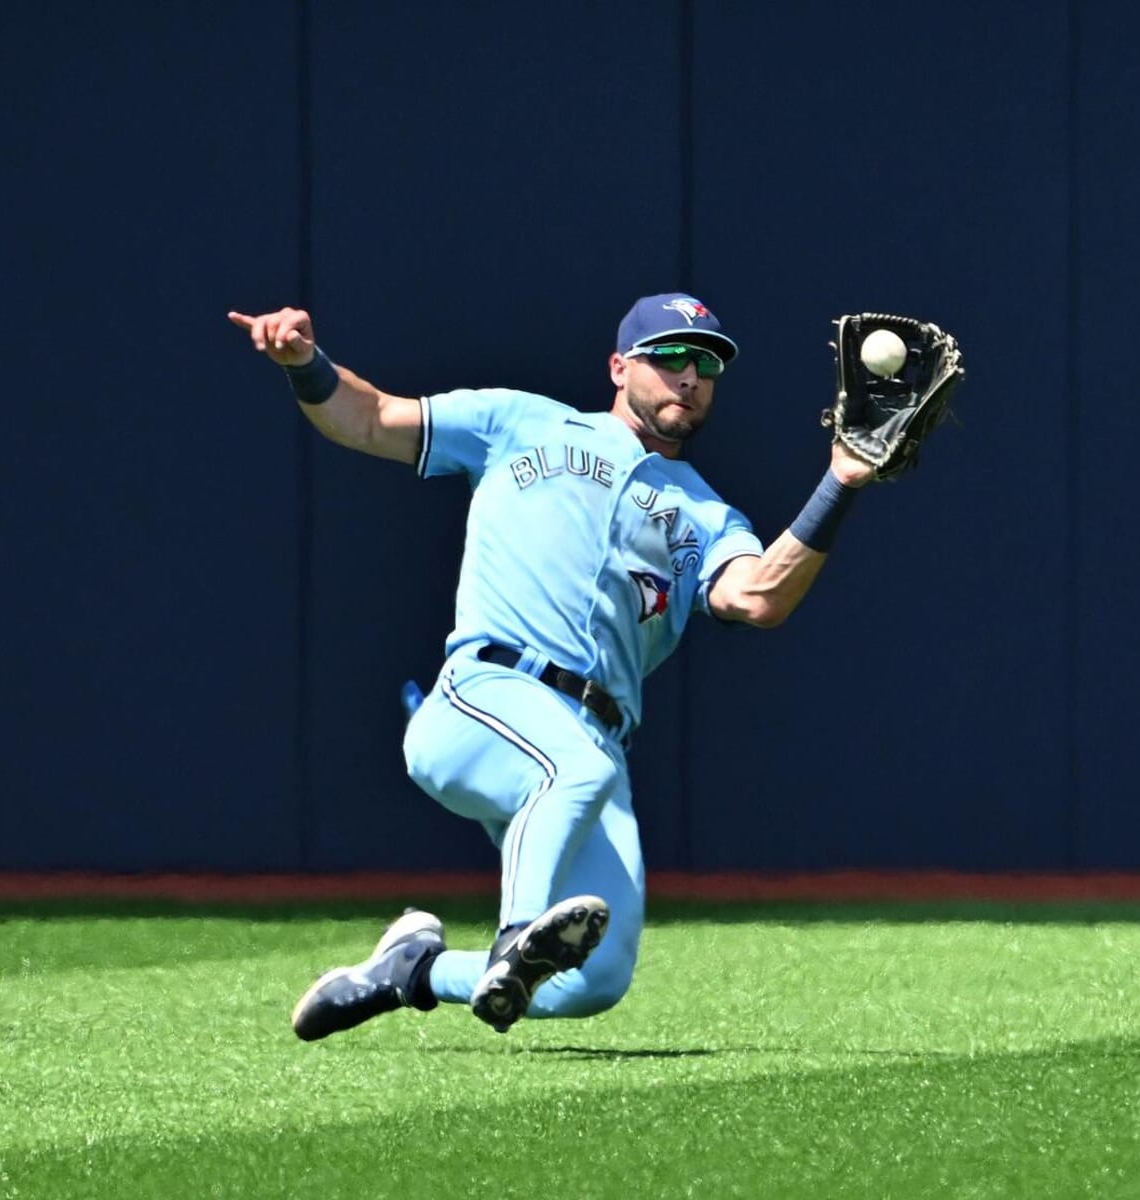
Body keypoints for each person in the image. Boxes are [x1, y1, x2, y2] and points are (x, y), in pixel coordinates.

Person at [227, 293, 876, 1038]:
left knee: (597, 978)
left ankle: (412, 970)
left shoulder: (702, 511)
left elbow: (759, 598)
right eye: (668, 358)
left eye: (705, 364)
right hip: (486, 695)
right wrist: (304, 363)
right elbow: (368, 419)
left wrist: (842, 482)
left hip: (595, 743)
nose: (688, 377)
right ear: (618, 366)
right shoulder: (522, 422)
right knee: (573, 774)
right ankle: (515, 939)